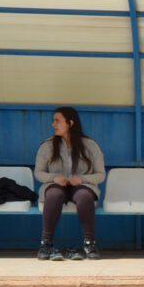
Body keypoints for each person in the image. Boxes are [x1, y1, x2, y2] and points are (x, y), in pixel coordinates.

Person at [34, 105, 106, 261]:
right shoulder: (47, 146)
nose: (53, 124)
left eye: (57, 121)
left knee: (84, 196)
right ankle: (46, 244)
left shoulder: (90, 145)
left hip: (81, 186)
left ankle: (89, 243)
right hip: (56, 185)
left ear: (70, 123)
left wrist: (82, 179)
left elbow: (101, 175)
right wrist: (54, 178)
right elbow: (38, 172)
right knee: (53, 195)